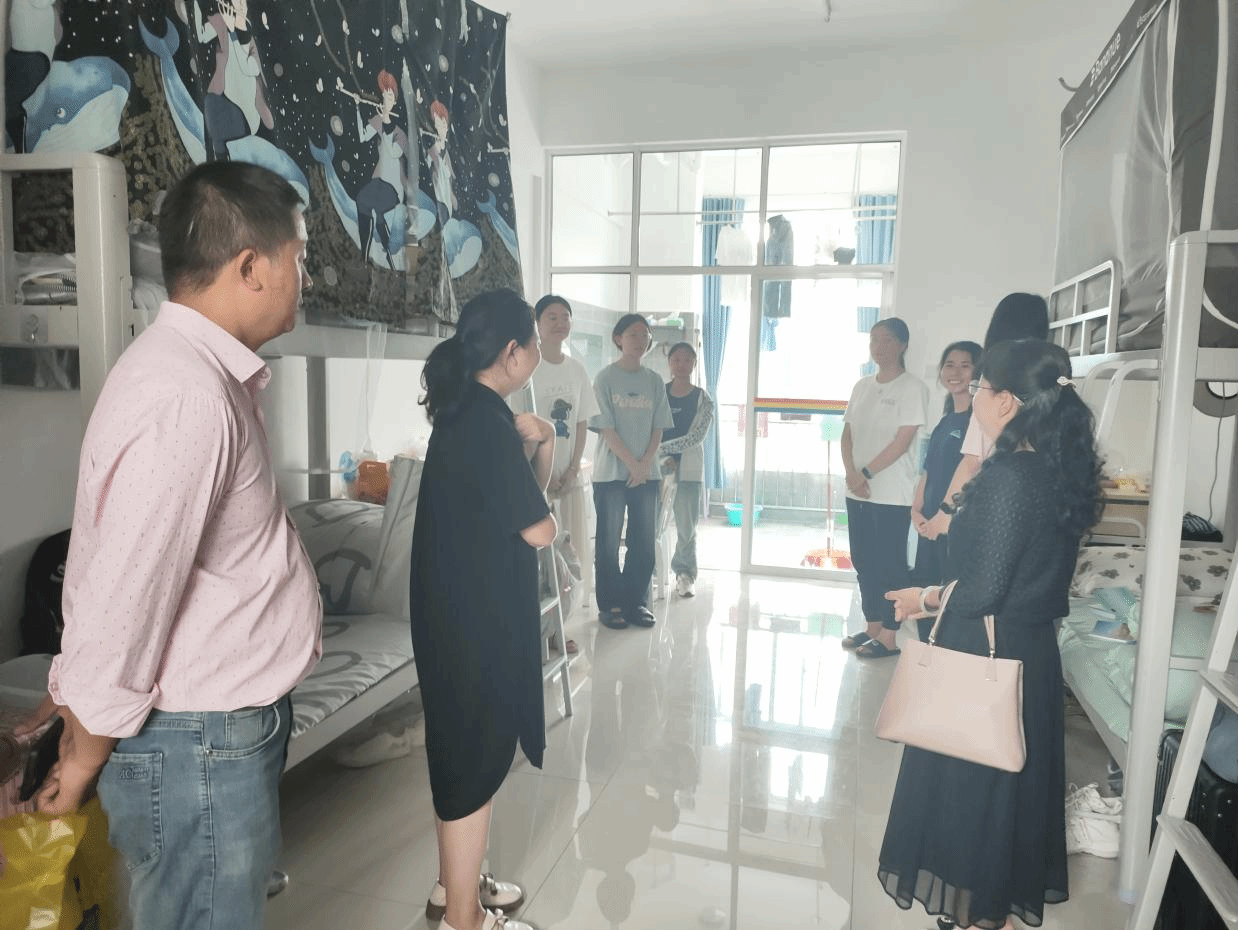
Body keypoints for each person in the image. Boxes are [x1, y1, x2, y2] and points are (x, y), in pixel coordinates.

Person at [15, 161, 322, 930]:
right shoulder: (184, 396)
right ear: (250, 267)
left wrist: (72, 686)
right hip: (197, 744)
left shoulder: (198, 378)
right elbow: (128, 595)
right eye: (300, 257)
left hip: (211, 734)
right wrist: (82, 755)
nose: (307, 277)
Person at [880, 339, 1104, 930]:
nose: (973, 394)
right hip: (1028, 651)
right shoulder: (1055, 468)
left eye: (980, 385)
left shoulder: (1012, 476)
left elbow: (983, 589)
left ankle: (983, 917)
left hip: (986, 647)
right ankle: (991, 910)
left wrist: (923, 598)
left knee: (972, 787)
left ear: (1005, 401)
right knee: (1006, 789)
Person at [411, 288, 557, 930]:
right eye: (536, 341)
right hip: (476, 626)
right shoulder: (487, 423)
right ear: (512, 351)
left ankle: (455, 889)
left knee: (457, 755)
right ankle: (463, 922)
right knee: (473, 764)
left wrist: (541, 441)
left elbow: (514, 506)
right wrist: (547, 442)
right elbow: (540, 528)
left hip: (451, 614)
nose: (538, 352)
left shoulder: (464, 409)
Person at [924, 292, 1050, 541]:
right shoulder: (1045, 377)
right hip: (1037, 500)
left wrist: (944, 513)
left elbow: (973, 460)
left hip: (995, 501)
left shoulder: (993, 378)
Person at [839, 318, 929, 659]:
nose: (879, 346)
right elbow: (847, 435)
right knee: (863, 560)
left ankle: (890, 636)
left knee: (890, 564)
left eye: (887, 340)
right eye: (874, 339)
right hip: (857, 490)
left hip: (892, 494)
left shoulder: (913, 388)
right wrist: (852, 474)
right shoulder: (861, 386)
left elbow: (902, 442)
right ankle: (873, 626)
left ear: (903, 345)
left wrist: (864, 473)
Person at [590, 313, 674, 630]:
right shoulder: (604, 378)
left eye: (645, 335)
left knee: (644, 542)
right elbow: (606, 428)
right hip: (611, 473)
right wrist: (632, 464)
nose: (641, 340)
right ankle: (611, 605)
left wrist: (644, 465)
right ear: (618, 338)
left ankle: (635, 602)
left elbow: (658, 428)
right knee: (608, 543)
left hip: (646, 475)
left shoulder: (654, 381)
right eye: (634, 334)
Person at [527, 294, 600, 652]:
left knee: (568, 558)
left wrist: (571, 470)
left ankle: (559, 628)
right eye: (552, 317)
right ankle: (540, 629)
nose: (560, 323)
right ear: (538, 324)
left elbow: (581, 422)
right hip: (535, 480)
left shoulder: (577, 370)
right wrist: (543, 473)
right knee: (541, 560)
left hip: (569, 480)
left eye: (565, 317)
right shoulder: (528, 367)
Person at [909, 340, 981, 639]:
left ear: (979, 372)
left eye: (965, 366)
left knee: (948, 596)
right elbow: (928, 470)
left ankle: (944, 655)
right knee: (923, 593)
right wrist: (916, 510)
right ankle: (926, 654)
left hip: (954, 524)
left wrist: (942, 516)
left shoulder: (978, 422)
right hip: (928, 523)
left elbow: (973, 473)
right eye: (949, 365)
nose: (956, 372)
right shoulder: (945, 421)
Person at [658, 341, 715, 598]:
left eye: (687, 360)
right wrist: (658, 455)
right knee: (653, 523)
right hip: (657, 468)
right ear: (669, 363)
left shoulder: (703, 399)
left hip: (689, 469)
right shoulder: (659, 393)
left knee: (686, 526)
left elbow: (696, 437)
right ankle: (652, 571)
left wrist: (662, 448)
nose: (681, 365)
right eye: (676, 359)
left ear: (694, 363)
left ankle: (685, 574)